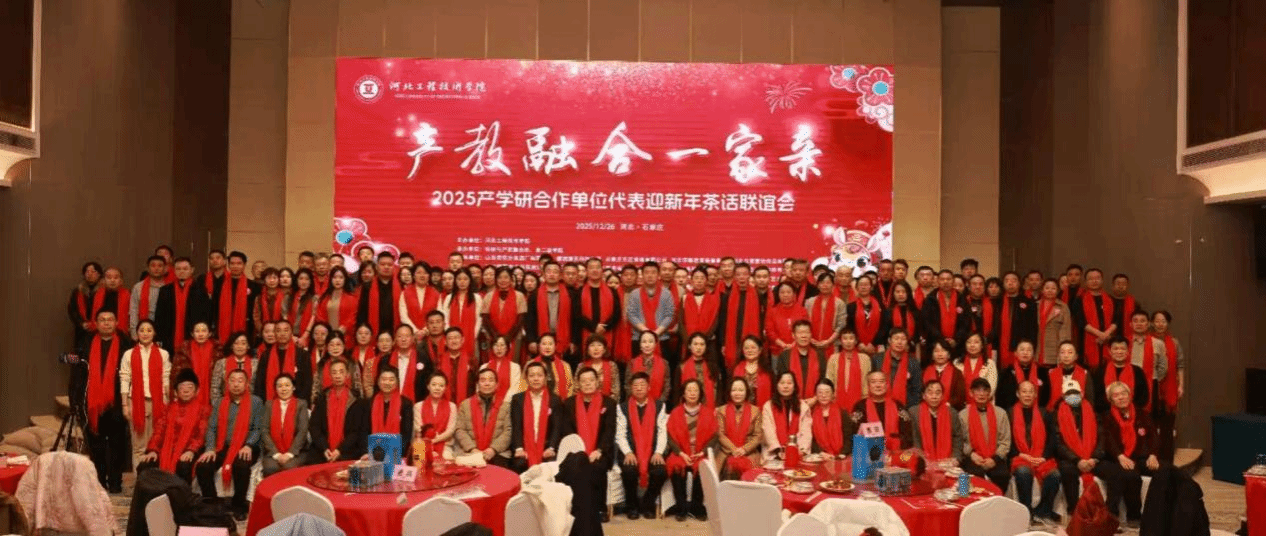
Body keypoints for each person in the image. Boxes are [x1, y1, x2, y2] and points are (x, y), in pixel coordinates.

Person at [75, 310, 132, 493]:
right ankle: (99, 482)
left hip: (117, 402)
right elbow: (77, 376)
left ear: (116, 323)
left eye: (110, 320)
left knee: (117, 445)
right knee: (96, 446)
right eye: (102, 320)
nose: (106, 323)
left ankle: (115, 482)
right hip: (92, 403)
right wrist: (76, 400)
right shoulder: (85, 344)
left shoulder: (126, 344)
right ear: (96, 323)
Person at [196, 369, 263, 520]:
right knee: (203, 466)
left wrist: (249, 445)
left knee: (241, 465)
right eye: (232, 380)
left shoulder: (256, 402)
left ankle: (239, 506)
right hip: (222, 446)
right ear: (227, 383)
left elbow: (258, 429)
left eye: (240, 381)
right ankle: (212, 505)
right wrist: (210, 448)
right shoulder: (220, 402)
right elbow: (212, 428)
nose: (236, 384)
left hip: (246, 446)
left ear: (247, 384)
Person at [1099, 381, 1161, 529]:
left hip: (1140, 457)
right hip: (1115, 458)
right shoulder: (1106, 417)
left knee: (1166, 471)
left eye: (1124, 393)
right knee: (1131, 475)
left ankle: (1162, 515)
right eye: (1116, 395)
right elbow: (1107, 440)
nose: (1121, 397)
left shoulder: (1142, 414)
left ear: (1130, 395)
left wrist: (1153, 455)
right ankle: (1132, 516)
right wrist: (1120, 456)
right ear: (1111, 400)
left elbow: (1153, 435)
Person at [561, 367, 618, 522]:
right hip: (576, 450)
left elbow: (609, 431)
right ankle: (577, 508)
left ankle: (600, 508)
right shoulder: (569, 403)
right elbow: (567, 431)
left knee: (597, 467)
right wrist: (579, 452)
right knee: (574, 466)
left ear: (597, 382)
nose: (587, 384)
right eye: (584, 381)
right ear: (578, 384)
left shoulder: (609, 403)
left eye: (591, 380)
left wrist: (599, 450)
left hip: (601, 450)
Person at [136, 369, 208, 484]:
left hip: (189, 450)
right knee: (145, 465)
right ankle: (152, 495)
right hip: (166, 450)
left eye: (190, 387)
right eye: (182, 387)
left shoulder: (203, 410)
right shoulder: (168, 409)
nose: (186, 390)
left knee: (183, 466)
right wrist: (153, 450)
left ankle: (180, 495)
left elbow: (201, 435)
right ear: (175, 392)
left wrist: (191, 451)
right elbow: (159, 431)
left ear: (197, 391)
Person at [616, 372, 669, 520]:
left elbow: (662, 432)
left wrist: (658, 452)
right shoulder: (622, 407)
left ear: (648, 387)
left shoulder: (659, 406)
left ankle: (647, 504)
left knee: (660, 472)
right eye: (635, 385)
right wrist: (628, 452)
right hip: (630, 451)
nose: (639, 388)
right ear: (630, 388)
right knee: (629, 471)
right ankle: (632, 506)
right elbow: (620, 434)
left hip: (652, 451)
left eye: (642, 385)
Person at [120, 320, 172, 467]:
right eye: (142, 330)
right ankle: (139, 478)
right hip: (135, 402)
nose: (145, 333)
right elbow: (124, 378)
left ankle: (153, 477)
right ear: (137, 334)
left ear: (154, 333)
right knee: (139, 446)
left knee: (156, 444)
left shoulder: (163, 354)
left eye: (149, 330)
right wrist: (125, 405)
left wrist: (169, 402)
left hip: (158, 402)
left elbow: (166, 378)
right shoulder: (129, 354)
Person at [1009, 380, 1061, 523]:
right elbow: (1007, 439)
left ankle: (1043, 511)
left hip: (1041, 457)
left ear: (1035, 394)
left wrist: (1044, 457)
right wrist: (1020, 454)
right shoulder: (1010, 413)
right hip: (1020, 456)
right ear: (1018, 394)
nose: (1027, 395)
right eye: (1024, 391)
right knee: (1023, 472)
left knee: (1055, 475)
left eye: (1030, 391)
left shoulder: (1045, 413)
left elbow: (1052, 439)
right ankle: (1026, 512)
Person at [1053, 378, 1107, 513]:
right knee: (1068, 472)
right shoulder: (1056, 415)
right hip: (1070, 459)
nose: (1073, 396)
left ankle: (1108, 512)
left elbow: (1102, 438)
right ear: (1063, 396)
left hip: (1093, 458)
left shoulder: (1093, 413)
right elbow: (1058, 443)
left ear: (1082, 394)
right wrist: (1077, 460)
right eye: (1069, 394)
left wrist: (1094, 458)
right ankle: (1074, 511)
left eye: (1075, 393)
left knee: (1115, 473)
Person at [665, 379, 715, 522]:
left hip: (700, 453)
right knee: (676, 467)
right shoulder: (676, 412)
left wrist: (703, 452)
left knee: (702, 467)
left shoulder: (708, 413)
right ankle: (681, 507)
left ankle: (696, 507)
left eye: (695, 390)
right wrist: (681, 453)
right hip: (681, 453)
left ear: (700, 394)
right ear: (683, 393)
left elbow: (714, 437)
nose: (692, 393)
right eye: (689, 390)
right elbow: (670, 437)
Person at [340, 366, 414, 460]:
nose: (387, 383)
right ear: (378, 382)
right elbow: (364, 432)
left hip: (397, 454)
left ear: (397, 382)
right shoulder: (368, 403)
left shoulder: (406, 404)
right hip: (371, 454)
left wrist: (394, 454)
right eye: (384, 379)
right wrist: (366, 452)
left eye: (391, 380)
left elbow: (406, 434)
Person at [958, 378, 1012, 492]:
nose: (981, 394)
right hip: (971, 456)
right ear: (971, 393)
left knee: (1003, 475)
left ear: (989, 393)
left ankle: (996, 501)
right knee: (966, 476)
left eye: (985, 390)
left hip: (995, 457)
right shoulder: (962, 415)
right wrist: (972, 454)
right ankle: (965, 500)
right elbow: (960, 441)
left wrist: (994, 459)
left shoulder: (1001, 413)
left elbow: (1005, 442)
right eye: (977, 390)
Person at [510, 362, 563, 473]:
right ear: (526, 378)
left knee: (551, 462)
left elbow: (557, 427)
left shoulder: (555, 400)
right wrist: (519, 448)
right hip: (524, 447)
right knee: (519, 463)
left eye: (539, 375)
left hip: (546, 447)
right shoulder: (517, 399)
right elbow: (516, 426)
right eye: (532, 375)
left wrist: (551, 448)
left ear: (545, 377)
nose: (536, 379)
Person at [454, 369, 511, 467]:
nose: (487, 383)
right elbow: (460, 430)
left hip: (498, 453)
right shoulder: (465, 405)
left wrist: (493, 449)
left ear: (496, 384)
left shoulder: (506, 406)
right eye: (483, 380)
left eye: (491, 380)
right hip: (469, 451)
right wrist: (472, 449)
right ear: (477, 384)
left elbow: (508, 431)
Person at [308, 358, 357, 464]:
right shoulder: (322, 398)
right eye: (334, 373)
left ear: (347, 375)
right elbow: (314, 426)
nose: (337, 376)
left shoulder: (356, 399)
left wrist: (339, 450)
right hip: (323, 449)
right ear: (330, 376)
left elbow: (356, 431)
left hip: (347, 450)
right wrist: (324, 448)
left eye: (341, 372)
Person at [1150, 310, 1184, 463]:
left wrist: (1181, 385)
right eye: (1157, 321)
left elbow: (1180, 366)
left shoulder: (1174, 342)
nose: (1160, 324)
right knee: (1151, 427)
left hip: (1170, 390)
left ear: (1168, 323)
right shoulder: (1148, 341)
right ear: (1152, 323)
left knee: (1167, 428)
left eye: (1163, 321)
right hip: (1152, 389)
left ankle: (1167, 462)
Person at [625, 261, 677, 361]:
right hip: (639, 338)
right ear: (642, 275)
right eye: (647, 272)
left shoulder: (666, 294)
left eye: (653, 272)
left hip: (661, 338)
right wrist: (646, 331)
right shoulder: (634, 294)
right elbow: (631, 314)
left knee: (662, 366)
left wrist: (656, 333)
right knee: (638, 366)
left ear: (658, 275)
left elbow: (669, 315)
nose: (650, 275)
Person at [850, 371, 912, 453]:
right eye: (873, 382)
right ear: (868, 385)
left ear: (887, 385)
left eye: (881, 381)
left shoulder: (898, 405)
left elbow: (907, 433)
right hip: (869, 453)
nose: (878, 385)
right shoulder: (860, 406)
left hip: (896, 451)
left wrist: (893, 446)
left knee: (910, 458)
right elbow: (854, 433)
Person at [154, 257, 208, 350]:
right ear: (174, 270)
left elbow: (205, 315)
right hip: (169, 336)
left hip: (192, 335)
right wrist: (158, 337)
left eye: (185, 269)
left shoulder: (200, 290)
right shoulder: (165, 290)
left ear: (192, 270)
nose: (181, 271)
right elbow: (159, 316)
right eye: (178, 269)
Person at [260, 373, 309, 476]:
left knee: (289, 468)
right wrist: (276, 454)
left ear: (293, 387)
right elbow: (264, 431)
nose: (284, 389)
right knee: (270, 468)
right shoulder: (269, 405)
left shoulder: (301, 404)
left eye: (287, 385)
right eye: (280, 386)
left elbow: (302, 431)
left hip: (296, 451)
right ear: (276, 389)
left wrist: (290, 454)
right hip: (273, 451)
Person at [715, 378, 762, 479]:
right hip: (727, 451)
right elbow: (720, 434)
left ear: (746, 392)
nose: (737, 393)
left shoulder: (755, 411)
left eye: (741, 390)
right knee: (725, 472)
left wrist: (744, 449)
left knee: (754, 477)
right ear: (729, 392)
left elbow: (758, 436)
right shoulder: (721, 410)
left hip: (749, 452)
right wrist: (734, 449)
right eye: (734, 390)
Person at [717, 263, 763, 367]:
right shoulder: (727, 296)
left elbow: (761, 320)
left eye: (744, 274)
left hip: (751, 339)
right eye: (738, 274)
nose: (741, 277)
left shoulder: (757, 295)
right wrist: (723, 343)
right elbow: (722, 321)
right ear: (734, 276)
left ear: (749, 275)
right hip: (732, 340)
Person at [255, 320, 312, 402]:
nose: (282, 334)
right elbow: (259, 382)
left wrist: (301, 404)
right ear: (275, 333)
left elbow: (307, 383)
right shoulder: (266, 355)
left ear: (291, 333)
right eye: (278, 331)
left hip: (297, 402)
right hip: (270, 402)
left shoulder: (302, 355)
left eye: (286, 330)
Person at [575, 257, 622, 356]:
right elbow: (576, 314)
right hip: (585, 333)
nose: (595, 270)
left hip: (607, 333)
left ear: (602, 270)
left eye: (597, 267)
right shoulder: (579, 291)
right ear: (587, 271)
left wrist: (604, 327)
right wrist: (594, 327)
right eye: (591, 267)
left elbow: (617, 313)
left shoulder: (612, 291)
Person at [523, 262, 570, 358]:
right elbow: (529, 320)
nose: (552, 274)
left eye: (555, 272)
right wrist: (531, 340)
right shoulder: (535, 295)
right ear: (543, 274)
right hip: (540, 339)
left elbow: (575, 319)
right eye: (549, 272)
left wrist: (573, 341)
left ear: (560, 275)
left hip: (564, 339)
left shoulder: (570, 294)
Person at [205, 251, 253, 343]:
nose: (235, 266)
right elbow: (213, 308)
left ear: (244, 265)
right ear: (228, 265)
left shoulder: (253, 285)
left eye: (239, 263)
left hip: (245, 329)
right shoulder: (219, 283)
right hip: (221, 328)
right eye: (232, 263)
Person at [910, 380, 963, 463]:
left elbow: (957, 439)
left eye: (938, 393)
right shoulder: (914, 412)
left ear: (942, 396)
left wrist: (955, 458)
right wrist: (921, 458)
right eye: (930, 393)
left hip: (947, 461)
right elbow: (914, 439)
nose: (934, 396)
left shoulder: (952, 413)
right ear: (924, 396)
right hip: (922, 460)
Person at [1126, 311, 1169, 413]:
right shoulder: (1124, 343)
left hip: (1151, 383)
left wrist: (1153, 378)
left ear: (1148, 324)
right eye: (1135, 321)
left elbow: (1163, 367)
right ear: (1130, 324)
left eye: (1142, 321)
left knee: (1149, 417)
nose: (1139, 324)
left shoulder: (1158, 343)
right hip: (1128, 384)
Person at [1094, 337, 1150, 414]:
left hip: (1133, 413)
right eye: (1116, 349)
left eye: (1123, 349)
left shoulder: (1137, 371)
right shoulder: (1100, 371)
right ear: (1109, 351)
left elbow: (1143, 397)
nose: (1119, 352)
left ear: (1128, 351)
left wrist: (1128, 410)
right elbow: (1097, 397)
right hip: (1107, 414)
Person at [1074, 269, 1117, 369]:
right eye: (1091, 279)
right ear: (1085, 282)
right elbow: (1081, 322)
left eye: (1097, 278)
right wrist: (1100, 334)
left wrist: (1106, 334)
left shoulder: (1110, 299)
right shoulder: (1079, 299)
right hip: (1086, 342)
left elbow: (1116, 320)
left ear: (1102, 280)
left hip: (1108, 340)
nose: (1094, 281)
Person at [993, 272, 1037, 369]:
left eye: (1014, 280)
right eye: (1007, 281)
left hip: (1021, 345)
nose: (1010, 283)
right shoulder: (997, 302)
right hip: (1000, 345)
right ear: (1003, 284)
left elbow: (1033, 327)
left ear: (1019, 283)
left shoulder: (1028, 301)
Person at [414, 371, 458, 462]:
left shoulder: (452, 406)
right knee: (418, 460)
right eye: (434, 385)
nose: (437, 388)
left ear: (445, 388)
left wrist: (434, 440)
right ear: (428, 386)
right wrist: (428, 443)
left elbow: (450, 430)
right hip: (422, 444)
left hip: (445, 445)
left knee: (447, 460)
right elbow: (418, 428)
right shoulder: (418, 406)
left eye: (441, 386)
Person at [872, 329, 922, 407]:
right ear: (889, 340)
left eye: (903, 339)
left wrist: (907, 407)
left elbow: (917, 390)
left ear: (907, 342)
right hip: (879, 403)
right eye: (896, 338)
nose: (899, 342)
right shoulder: (877, 359)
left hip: (905, 406)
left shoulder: (913, 363)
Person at [923, 270, 972, 349]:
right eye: (942, 279)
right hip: (935, 343)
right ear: (938, 281)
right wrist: (941, 340)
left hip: (958, 343)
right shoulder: (930, 299)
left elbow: (966, 322)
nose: (945, 282)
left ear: (953, 281)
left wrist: (956, 339)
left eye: (948, 279)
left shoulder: (961, 298)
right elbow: (927, 322)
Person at [679, 268, 721, 360]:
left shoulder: (714, 299)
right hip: (689, 342)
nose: (699, 281)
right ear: (691, 281)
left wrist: (704, 340)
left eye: (702, 278)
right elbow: (681, 322)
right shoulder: (685, 298)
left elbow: (716, 321)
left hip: (708, 342)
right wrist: (689, 341)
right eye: (696, 278)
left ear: (706, 280)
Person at [995, 340, 1049, 410]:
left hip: (1038, 412)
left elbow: (1047, 395)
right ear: (1015, 353)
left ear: (1033, 353)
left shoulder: (1042, 372)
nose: (1025, 353)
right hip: (1011, 412)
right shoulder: (1006, 373)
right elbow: (1000, 397)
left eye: (1029, 350)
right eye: (1022, 350)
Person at [486, 267, 529, 355]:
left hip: (514, 337)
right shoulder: (489, 296)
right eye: (500, 277)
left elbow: (521, 319)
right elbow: (485, 318)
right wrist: (495, 336)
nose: (503, 280)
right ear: (496, 279)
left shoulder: (519, 296)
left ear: (511, 279)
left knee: (513, 361)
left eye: (506, 277)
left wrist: (508, 337)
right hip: (493, 337)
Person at [807, 379, 854, 458]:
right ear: (816, 395)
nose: (823, 395)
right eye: (820, 392)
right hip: (819, 457)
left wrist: (842, 454)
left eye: (827, 392)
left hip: (841, 456)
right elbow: (810, 439)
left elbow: (849, 437)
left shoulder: (842, 412)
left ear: (833, 394)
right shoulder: (810, 413)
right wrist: (820, 453)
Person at [826, 328, 871, 411]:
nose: (848, 342)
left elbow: (867, 381)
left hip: (860, 400)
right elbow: (829, 380)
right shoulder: (833, 358)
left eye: (851, 338)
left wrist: (865, 399)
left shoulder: (865, 358)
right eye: (845, 338)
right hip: (836, 400)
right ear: (840, 341)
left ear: (856, 341)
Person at [357, 252, 402, 335]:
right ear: (377, 267)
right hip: (373, 332)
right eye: (383, 264)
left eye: (390, 265)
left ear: (394, 267)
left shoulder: (401, 286)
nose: (386, 267)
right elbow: (361, 313)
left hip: (395, 331)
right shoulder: (367, 286)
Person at [442, 270, 483, 356]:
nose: (462, 282)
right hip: (452, 338)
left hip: (471, 337)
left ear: (470, 280)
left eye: (465, 279)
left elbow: (479, 319)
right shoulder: (449, 298)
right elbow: (445, 318)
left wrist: (473, 335)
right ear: (455, 281)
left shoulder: (477, 298)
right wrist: (450, 335)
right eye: (459, 279)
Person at [524, 333, 574, 399]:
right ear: (539, 346)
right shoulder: (530, 364)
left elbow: (570, 388)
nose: (547, 347)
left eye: (550, 344)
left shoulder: (565, 365)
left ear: (555, 346)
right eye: (544, 344)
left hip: (559, 402)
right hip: (535, 401)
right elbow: (523, 386)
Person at [1051, 340, 1097, 412]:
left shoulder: (1085, 373)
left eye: (1070, 352)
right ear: (1059, 356)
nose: (1066, 356)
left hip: (1079, 411)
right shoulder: (1051, 373)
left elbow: (1090, 400)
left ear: (1076, 356)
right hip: (1056, 412)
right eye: (1062, 352)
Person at [130, 256, 169, 339]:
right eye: (153, 265)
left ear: (165, 268)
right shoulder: (138, 287)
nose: (156, 268)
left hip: (166, 330)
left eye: (160, 266)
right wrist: (134, 332)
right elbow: (133, 310)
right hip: (144, 329)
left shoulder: (170, 287)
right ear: (147, 268)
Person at [1034, 279, 1072, 365]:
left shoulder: (1063, 307)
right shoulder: (1035, 305)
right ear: (1042, 290)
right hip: (1037, 347)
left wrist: (1064, 350)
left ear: (1057, 290)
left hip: (1054, 347)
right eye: (1047, 288)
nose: (1050, 290)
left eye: (1053, 288)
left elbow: (1066, 330)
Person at [804, 273, 846, 350]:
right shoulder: (809, 302)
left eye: (828, 283)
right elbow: (804, 322)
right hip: (810, 344)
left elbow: (841, 326)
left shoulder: (839, 303)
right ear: (818, 285)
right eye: (822, 283)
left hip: (832, 345)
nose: (825, 285)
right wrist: (810, 339)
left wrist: (828, 341)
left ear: (833, 285)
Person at [434, 327, 475, 403]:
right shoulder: (439, 361)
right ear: (445, 342)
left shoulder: (471, 360)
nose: (454, 341)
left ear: (462, 340)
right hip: (443, 403)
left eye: (456, 338)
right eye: (450, 338)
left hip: (467, 403)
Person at [68, 261, 104, 348]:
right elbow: (72, 310)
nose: (90, 274)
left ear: (99, 274)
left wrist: (98, 323)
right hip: (82, 331)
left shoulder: (105, 291)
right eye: (87, 271)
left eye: (93, 271)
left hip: (102, 330)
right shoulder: (78, 291)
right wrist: (81, 323)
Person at [765, 282, 809, 354]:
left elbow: (805, 329)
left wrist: (794, 344)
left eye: (788, 292)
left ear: (794, 294)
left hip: (798, 349)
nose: (785, 295)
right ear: (778, 294)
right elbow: (770, 331)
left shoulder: (802, 310)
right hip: (777, 350)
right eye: (782, 292)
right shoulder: (772, 311)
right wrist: (782, 344)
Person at [923, 339, 967, 410]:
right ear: (932, 355)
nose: (940, 354)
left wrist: (948, 405)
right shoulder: (925, 371)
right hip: (927, 409)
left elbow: (960, 396)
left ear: (949, 354)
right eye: (936, 351)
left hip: (950, 410)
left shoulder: (956, 373)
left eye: (943, 351)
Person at [845, 276, 884, 354]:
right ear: (856, 288)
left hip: (876, 345)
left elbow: (883, 326)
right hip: (857, 346)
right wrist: (859, 343)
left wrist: (873, 343)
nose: (863, 287)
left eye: (866, 285)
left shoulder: (880, 305)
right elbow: (850, 326)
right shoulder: (851, 306)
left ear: (871, 287)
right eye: (861, 285)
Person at [628, 331, 670, 403]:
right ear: (640, 344)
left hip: (658, 403)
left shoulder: (664, 363)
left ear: (655, 344)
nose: (647, 345)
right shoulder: (632, 363)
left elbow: (667, 386)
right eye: (644, 342)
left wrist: (659, 403)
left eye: (650, 342)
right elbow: (628, 385)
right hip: (636, 403)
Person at [879, 281, 922, 351]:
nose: (900, 294)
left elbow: (918, 334)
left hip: (912, 348)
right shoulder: (888, 312)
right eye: (898, 292)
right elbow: (884, 334)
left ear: (908, 293)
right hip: (892, 349)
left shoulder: (915, 312)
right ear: (893, 294)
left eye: (903, 292)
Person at [399, 264, 443, 331]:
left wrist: (425, 330)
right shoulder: (405, 293)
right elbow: (403, 316)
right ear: (414, 276)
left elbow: (439, 314)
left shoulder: (436, 293)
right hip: (411, 332)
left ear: (429, 276)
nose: (422, 275)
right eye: (419, 273)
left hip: (431, 332)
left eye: (425, 273)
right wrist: (415, 331)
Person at [733, 335, 774, 408]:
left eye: (753, 347)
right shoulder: (737, 369)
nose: (750, 350)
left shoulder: (767, 370)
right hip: (742, 410)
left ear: (760, 350)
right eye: (746, 348)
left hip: (763, 410)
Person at [679, 332, 720, 405]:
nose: (699, 347)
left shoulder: (713, 366)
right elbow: (677, 392)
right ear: (689, 346)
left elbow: (719, 389)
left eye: (702, 344)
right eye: (695, 344)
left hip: (710, 406)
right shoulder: (682, 367)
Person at [316, 266, 357, 335]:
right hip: (327, 335)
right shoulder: (325, 297)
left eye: (341, 277)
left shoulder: (352, 298)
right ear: (330, 279)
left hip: (345, 335)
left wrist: (343, 329)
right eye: (334, 277)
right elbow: (320, 316)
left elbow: (353, 317)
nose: (337, 280)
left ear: (345, 279)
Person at [481, 335, 522, 404]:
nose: (499, 348)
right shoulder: (484, 367)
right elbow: (480, 388)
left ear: (507, 348)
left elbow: (515, 388)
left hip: (507, 404)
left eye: (502, 345)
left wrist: (503, 403)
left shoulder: (515, 367)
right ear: (492, 348)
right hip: (487, 403)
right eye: (496, 345)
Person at [578, 335, 621, 400]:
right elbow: (577, 389)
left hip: (606, 403)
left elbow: (616, 391)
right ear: (588, 350)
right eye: (592, 345)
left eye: (599, 345)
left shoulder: (612, 365)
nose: (596, 349)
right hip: (585, 402)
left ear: (604, 349)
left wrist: (607, 404)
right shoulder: (582, 366)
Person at [252, 268, 288, 336]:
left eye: (274, 278)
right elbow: (256, 317)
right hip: (264, 332)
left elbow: (287, 316)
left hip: (281, 332)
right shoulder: (259, 298)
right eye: (269, 278)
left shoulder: (285, 296)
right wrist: (264, 331)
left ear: (279, 280)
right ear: (264, 280)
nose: (272, 280)